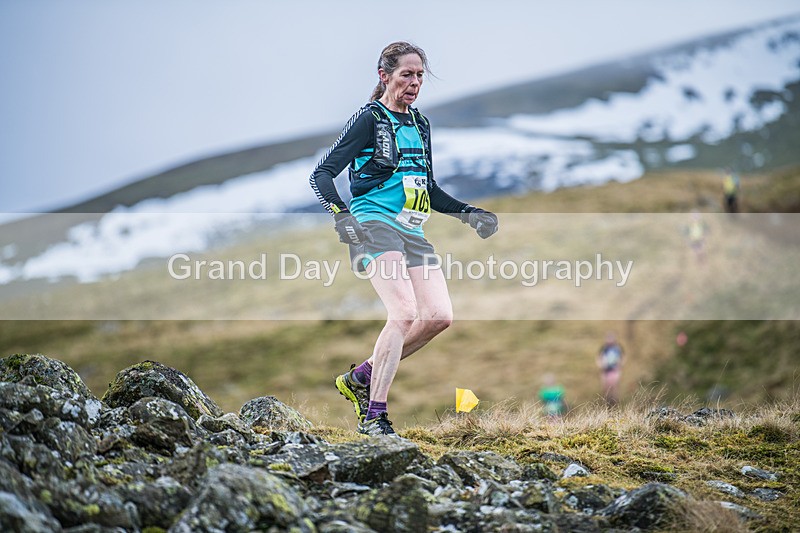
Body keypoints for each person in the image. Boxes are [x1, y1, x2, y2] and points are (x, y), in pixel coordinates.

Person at [309, 42, 498, 436]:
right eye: (406, 75)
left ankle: (361, 377)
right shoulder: (369, 118)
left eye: (419, 76)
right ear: (385, 76)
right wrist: (340, 215)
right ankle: (374, 416)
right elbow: (321, 175)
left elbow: (428, 187)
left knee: (439, 317)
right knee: (404, 313)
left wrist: (469, 214)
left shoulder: (421, 124)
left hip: (412, 230)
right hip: (373, 223)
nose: (414, 83)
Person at [597, 332, 623, 406]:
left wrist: (619, 365)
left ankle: (615, 405)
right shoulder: (604, 348)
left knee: (615, 389)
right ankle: (606, 405)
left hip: (615, 371)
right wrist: (601, 365)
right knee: (605, 389)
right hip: (605, 371)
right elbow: (599, 357)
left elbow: (622, 357)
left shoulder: (617, 348)